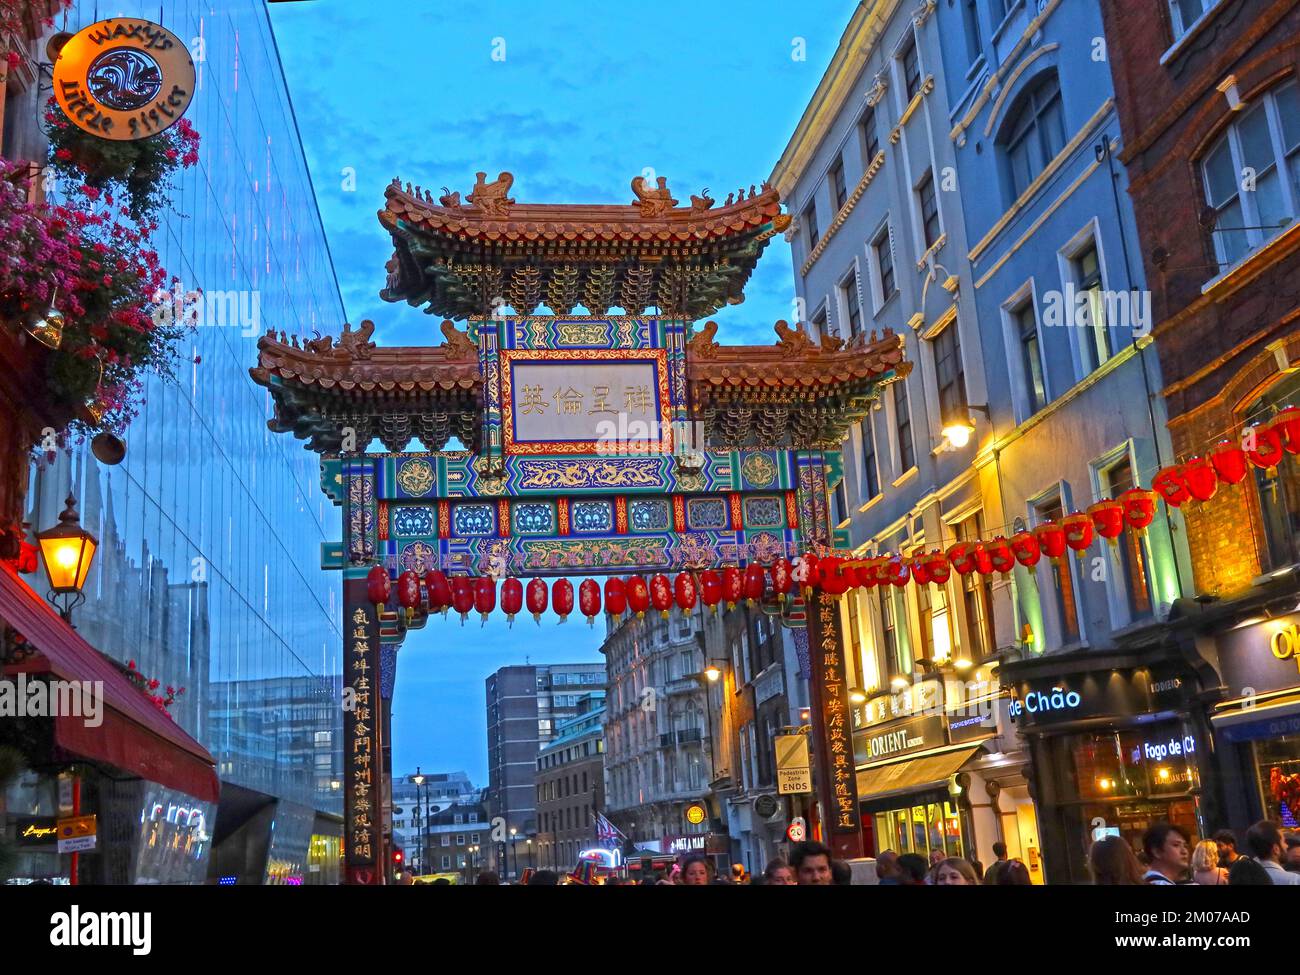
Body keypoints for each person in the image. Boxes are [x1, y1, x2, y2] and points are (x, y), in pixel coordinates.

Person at [1245, 819, 1300, 885]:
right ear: (1276, 849)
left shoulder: (1247, 880)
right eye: (1284, 842)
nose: (1287, 846)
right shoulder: (1293, 880)